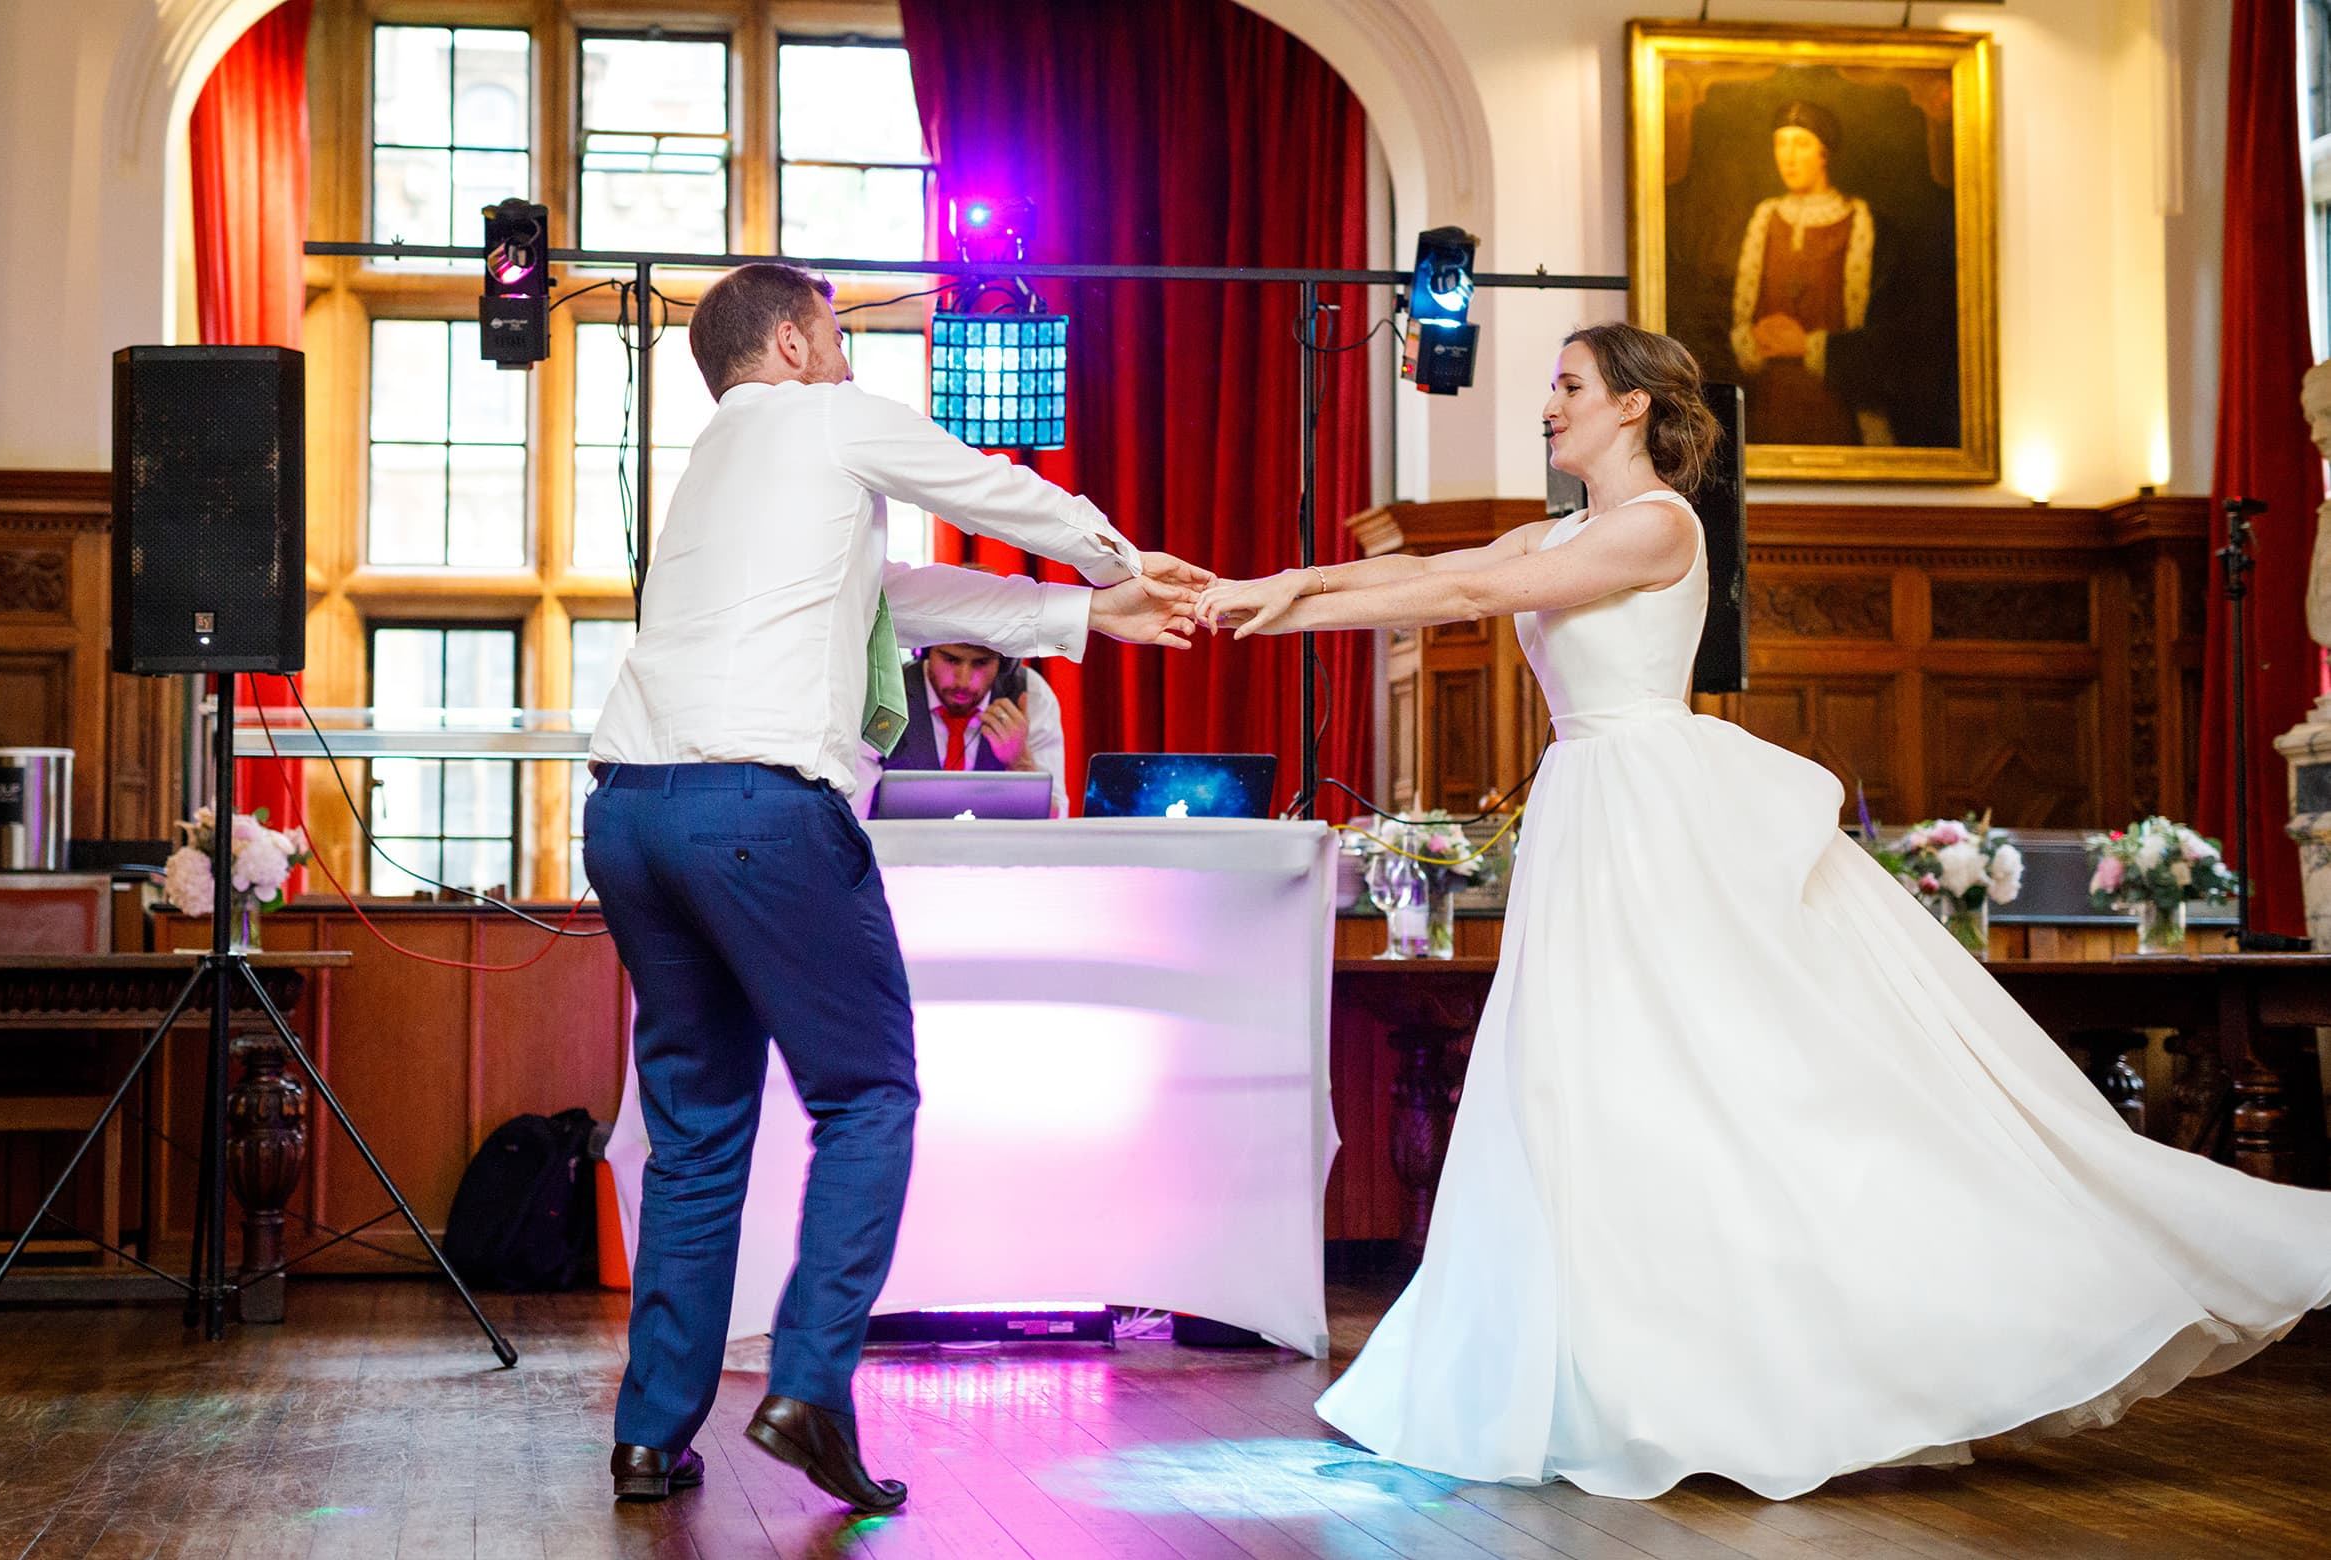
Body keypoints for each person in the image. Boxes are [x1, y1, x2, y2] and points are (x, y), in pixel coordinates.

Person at [1194, 321, 2331, 1500]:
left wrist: (1276, 599)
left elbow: (1472, 587)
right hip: (1592, 811)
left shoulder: (1658, 525)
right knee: (1574, 1087)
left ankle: (1793, 1348)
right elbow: (1421, 573)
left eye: (1567, 384)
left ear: (1631, 407)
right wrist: (1263, 592)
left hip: (1649, 818)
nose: (1549, 403)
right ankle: (1597, 1365)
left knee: (1706, 1073)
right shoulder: (1576, 526)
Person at [584, 262, 1209, 1513]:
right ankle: (810, 1382)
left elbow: (898, 598)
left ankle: (653, 1435)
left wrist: (1093, 620)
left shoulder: (711, 471)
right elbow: (996, 491)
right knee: (869, 1094)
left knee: (699, 1135)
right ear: (795, 346)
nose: (850, 356)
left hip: (630, 814)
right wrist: (1126, 560)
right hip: (758, 811)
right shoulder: (827, 418)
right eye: (835, 332)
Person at [1730, 100, 1888, 447]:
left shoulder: (1858, 220)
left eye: (1801, 144)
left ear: (1824, 153)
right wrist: (1753, 339)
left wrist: (1807, 345)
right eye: (1780, 144)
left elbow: (1888, 337)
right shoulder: (1766, 218)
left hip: (1834, 401)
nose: (1788, 157)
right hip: (1769, 403)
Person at [852, 642, 1071, 819]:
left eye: (981, 662)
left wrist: (1020, 763)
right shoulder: (886, 696)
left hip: (996, 863)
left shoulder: (1032, 696)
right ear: (924, 650)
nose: (963, 680)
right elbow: (853, 810)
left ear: (1005, 663)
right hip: (897, 860)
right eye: (951, 659)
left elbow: (1057, 822)